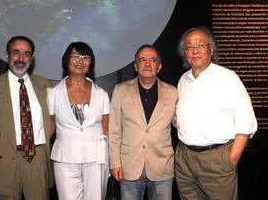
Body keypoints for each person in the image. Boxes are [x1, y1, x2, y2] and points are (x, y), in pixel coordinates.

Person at [174, 26, 258, 200]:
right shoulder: (183, 80)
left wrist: (231, 159)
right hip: (185, 160)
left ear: (211, 49)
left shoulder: (228, 78)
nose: (194, 50)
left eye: (200, 45)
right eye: (189, 46)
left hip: (217, 160)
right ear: (185, 53)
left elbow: (246, 121)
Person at [0, 36, 53, 200]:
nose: (20, 58)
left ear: (31, 59)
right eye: (16, 53)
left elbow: (53, 120)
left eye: (26, 54)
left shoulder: (45, 85)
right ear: (7, 55)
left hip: (36, 157)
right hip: (4, 159)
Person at [109, 44, 178, 200]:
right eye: (142, 60)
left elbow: (182, 125)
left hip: (162, 167)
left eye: (152, 60)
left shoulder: (172, 92)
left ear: (159, 67)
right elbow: (114, 130)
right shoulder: (120, 91)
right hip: (129, 165)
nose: (147, 64)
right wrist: (115, 162)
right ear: (135, 66)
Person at [47, 41, 110, 200]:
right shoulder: (53, 94)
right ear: (66, 60)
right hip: (65, 158)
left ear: (91, 64)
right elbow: (49, 128)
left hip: (96, 157)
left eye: (86, 57)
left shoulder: (102, 94)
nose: (80, 61)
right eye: (75, 56)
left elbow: (107, 129)